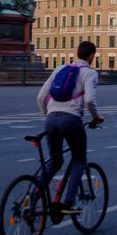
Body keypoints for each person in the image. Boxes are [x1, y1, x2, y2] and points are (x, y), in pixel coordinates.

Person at [37, 41, 104, 214]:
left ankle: (33, 196)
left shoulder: (60, 69)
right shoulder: (89, 73)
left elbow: (40, 97)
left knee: (55, 161)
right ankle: (68, 202)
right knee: (79, 159)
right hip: (71, 120)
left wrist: (49, 116)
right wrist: (96, 117)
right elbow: (89, 100)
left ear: (76, 53)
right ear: (91, 56)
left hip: (50, 119)